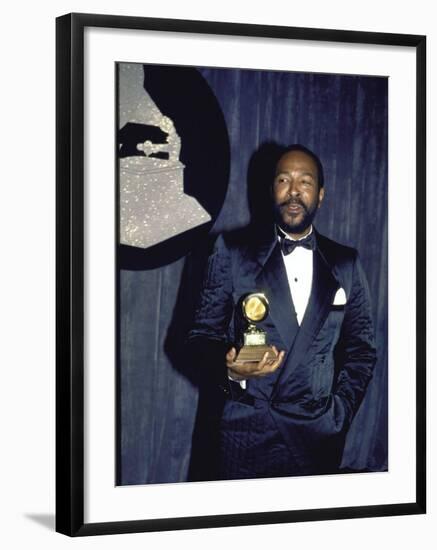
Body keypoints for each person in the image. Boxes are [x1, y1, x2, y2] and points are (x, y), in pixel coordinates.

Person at [187, 144, 377, 481]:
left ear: (320, 195)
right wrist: (228, 368)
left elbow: (361, 350)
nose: (293, 191)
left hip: (316, 437)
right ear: (271, 190)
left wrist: (340, 411)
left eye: (305, 182)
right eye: (283, 180)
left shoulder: (346, 262)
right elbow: (200, 337)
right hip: (243, 435)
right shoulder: (232, 251)